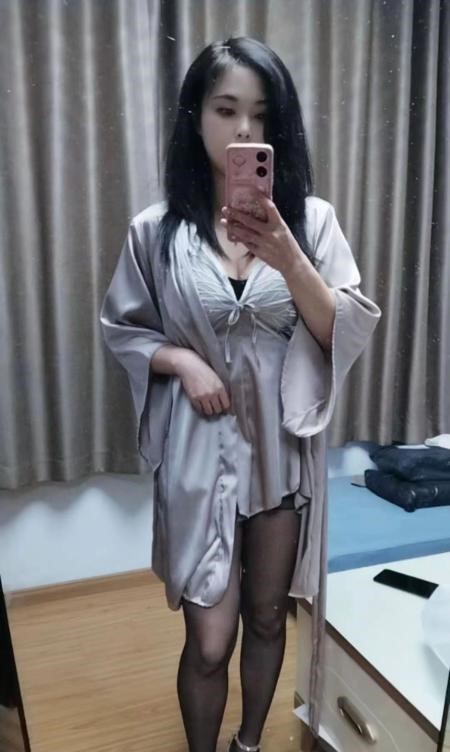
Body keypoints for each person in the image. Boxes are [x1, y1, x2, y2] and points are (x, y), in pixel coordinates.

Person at [100, 37, 380, 752]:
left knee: (265, 617)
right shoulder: (155, 232)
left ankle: (248, 744)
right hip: (198, 459)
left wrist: (289, 257)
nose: (244, 130)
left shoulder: (312, 222)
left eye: (261, 114)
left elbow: (342, 330)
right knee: (208, 640)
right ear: (196, 116)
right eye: (226, 110)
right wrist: (180, 362)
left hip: (281, 461)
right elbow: (123, 328)